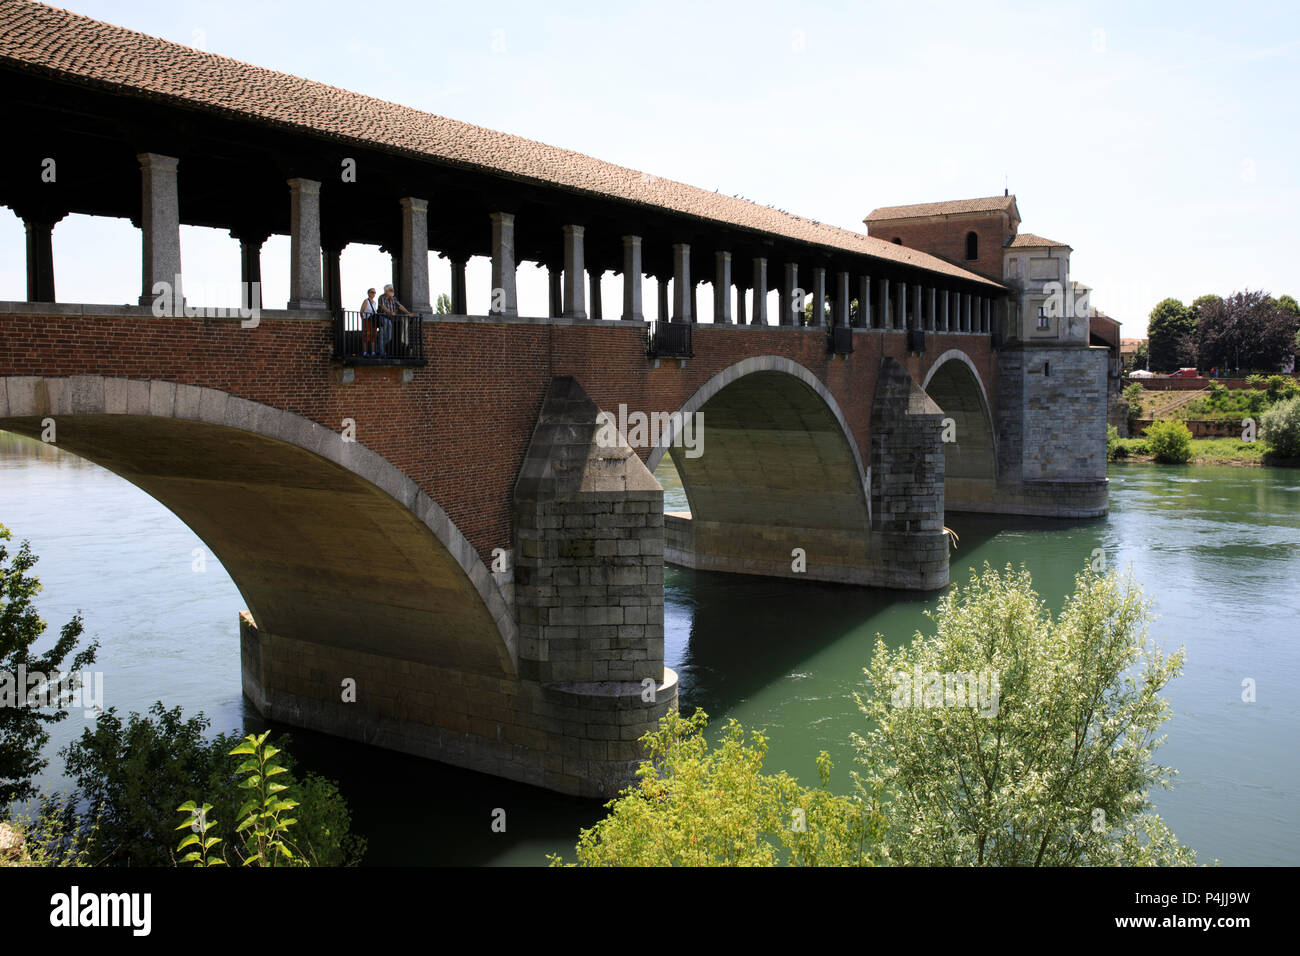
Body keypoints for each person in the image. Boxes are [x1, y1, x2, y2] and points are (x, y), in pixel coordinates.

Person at [378, 284, 410, 356]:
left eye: (392, 290)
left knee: (389, 336)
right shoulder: (381, 297)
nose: (392, 291)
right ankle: (382, 352)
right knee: (383, 336)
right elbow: (382, 306)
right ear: (386, 291)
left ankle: (385, 352)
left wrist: (408, 313)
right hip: (383, 318)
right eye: (390, 290)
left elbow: (400, 306)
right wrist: (390, 312)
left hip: (389, 319)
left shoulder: (394, 298)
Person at [360, 288, 379, 357]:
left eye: (374, 292)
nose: (373, 293)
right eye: (372, 292)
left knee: (373, 336)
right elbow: (361, 311)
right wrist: (363, 318)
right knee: (366, 335)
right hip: (366, 320)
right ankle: (365, 352)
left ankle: (373, 352)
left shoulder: (374, 303)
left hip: (372, 321)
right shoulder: (366, 301)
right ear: (368, 293)